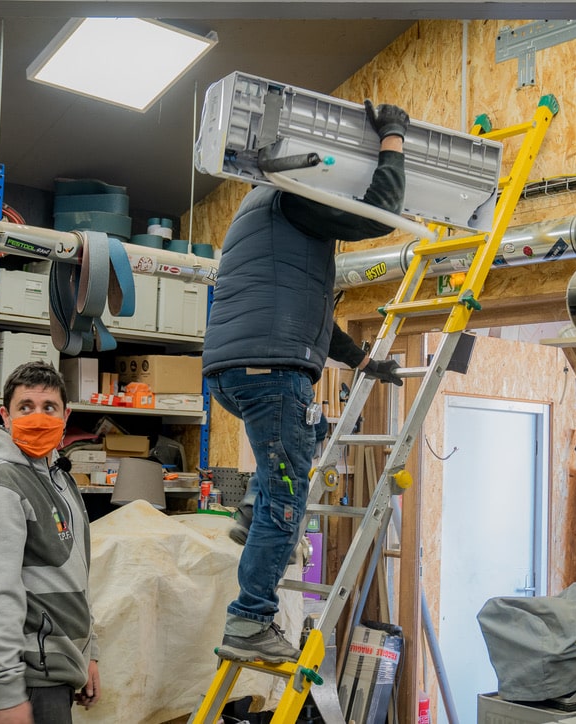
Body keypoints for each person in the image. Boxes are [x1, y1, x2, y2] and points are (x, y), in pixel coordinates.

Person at [202, 99, 410, 664]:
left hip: (235, 372)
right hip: (272, 373)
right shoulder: (295, 196)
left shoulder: (258, 209)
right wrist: (391, 139)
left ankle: (252, 511)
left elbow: (302, 317)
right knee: (288, 502)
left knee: (298, 449)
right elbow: (379, 216)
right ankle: (250, 620)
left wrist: (361, 360)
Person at [0, 361, 100, 723]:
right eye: (26, 407)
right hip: (22, 676)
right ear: (6, 416)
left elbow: (74, 576)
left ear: (66, 415)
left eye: (49, 407)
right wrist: (7, 691)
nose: (38, 417)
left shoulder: (60, 478)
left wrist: (86, 654)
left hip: (52, 667)